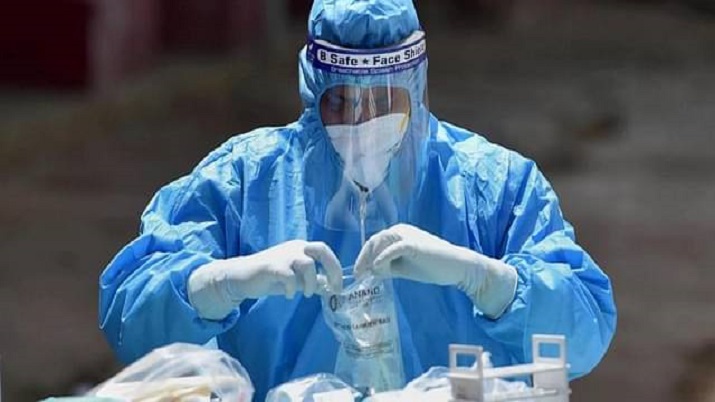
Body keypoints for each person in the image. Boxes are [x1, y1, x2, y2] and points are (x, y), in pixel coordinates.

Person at [99, 0, 617, 399]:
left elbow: (584, 332)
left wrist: (487, 280)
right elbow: (131, 317)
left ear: (416, 89)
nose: (363, 122)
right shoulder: (244, 180)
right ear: (312, 90)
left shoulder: (493, 185)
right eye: (342, 102)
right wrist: (223, 283)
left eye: (385, 101)